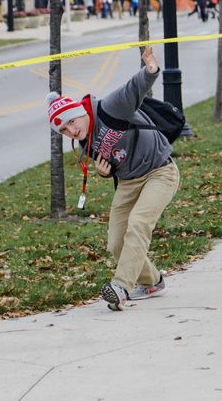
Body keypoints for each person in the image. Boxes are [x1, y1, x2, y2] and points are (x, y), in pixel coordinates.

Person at [45, 47, 179, 311]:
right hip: (129, 181)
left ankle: (121, 287)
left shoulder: (110, 108)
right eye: (64, 130)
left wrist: (150, 70)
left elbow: (134, 88)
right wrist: (104, 172)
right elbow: (114, 162)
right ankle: (153, 282)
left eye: (71, 121)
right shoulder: (84, 144)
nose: (72, 130)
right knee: (116, 241)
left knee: (139, 223)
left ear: (77, 111)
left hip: (160, 171)